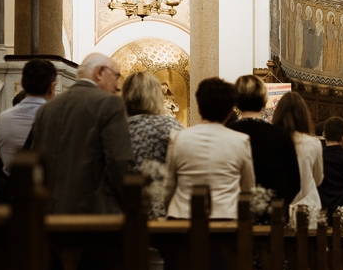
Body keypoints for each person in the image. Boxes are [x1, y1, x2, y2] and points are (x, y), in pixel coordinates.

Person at [27, 52, 133, 214]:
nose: (118, 87)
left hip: (51, 214)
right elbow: (119, 162)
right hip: (94, 215)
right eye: (116, 76)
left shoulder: (46, 109)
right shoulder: (110, 104)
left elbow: (35, 164)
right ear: (99, 72)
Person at [164, 78, 255, 220]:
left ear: (199, 108)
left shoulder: (178, 138)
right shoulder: (241, 141)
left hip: (183, 218)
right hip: (226, 219)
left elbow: (169, 185)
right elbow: (248, 188)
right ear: (229, 112)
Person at [228, 75, 301, 219]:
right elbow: (294, 181)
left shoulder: (227, 132)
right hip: (273, 216)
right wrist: (278, 204)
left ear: (236, 101)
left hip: (235, 214)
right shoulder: (280, 135)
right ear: (264, 100)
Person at [121, 70, 182, 219]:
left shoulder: (117, 127)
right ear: (157, 96)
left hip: (125, 210)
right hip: (163, 211)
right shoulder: (172, 127)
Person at [0, 58, 56, 174]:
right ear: (52, 87)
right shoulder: (59, 118)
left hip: (12, 188)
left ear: (22, 82)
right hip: (49, 189)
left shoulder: (3, 118)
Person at [272, 91, 323, 226]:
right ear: (303, 115)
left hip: (278, 206)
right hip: (307, 204)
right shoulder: (313, 143)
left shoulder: (273, 140)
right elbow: (318, 179)